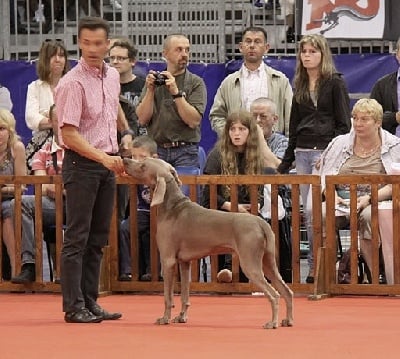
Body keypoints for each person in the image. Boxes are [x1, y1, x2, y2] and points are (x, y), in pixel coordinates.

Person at [54, 16, 132, 324]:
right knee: (77, 238)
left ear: (108, 44)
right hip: (82, 164)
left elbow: (112, 112)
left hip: (107, 162)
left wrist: (125, 134)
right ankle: (73, 306)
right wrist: (103, 156)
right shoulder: (72, 82)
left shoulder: (112, 76)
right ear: (78, 43)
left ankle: (90, 301)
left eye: (98, 43)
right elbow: (69, 134)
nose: (92, 49)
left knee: (98, 238)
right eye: (86, 43)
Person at [277, 34, 351, 284]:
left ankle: (319, 266)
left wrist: (331, 155)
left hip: (326, 154)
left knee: (313, 210)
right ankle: (315, 267)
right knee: (306, 213)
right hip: (302, 154)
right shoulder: (297, 84)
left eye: (312, 51)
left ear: (323, 54)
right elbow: (293, 127)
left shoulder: (335, 83)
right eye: (304, 51)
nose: (307, 55)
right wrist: (285, 164)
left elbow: (344, 126)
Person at [317, 98, 400, 280]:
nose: (358, 124)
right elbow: (323, 174)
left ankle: (375, 276)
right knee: (322, 212)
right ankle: (328, 278)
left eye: (364, 119)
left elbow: (396, 182)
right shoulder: (339, 142)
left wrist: (371, 198)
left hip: (377, 198)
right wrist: (331, 193)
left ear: (378, 122)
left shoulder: (395, 145)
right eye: (355, 118)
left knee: (369, 216)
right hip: (343, 198)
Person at [201, 110, 270, 283]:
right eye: (232, 129)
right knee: (232, 225)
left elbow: (259, 194)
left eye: (242, 129)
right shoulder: (216, 155)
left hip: (246, 211)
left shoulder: (256, 158)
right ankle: (228, 270)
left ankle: (257, 273)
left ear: (250, 132)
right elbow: (207, 195)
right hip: (221, 211)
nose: (237, 133)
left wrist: (255, 206)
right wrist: (230, 206)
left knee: (260, 226)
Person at [136, 33, 207, 169]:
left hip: (185, 150)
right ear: (165, 54)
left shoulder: (195, 82)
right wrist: (150, 91)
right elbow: (142, 119)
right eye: (179, 49)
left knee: (184, 191)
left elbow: (193, 121)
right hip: (157, 150)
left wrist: (176, 93)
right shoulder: (154, 81)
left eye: (187, 50)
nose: (184, 54)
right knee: (158, 190)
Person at [10, 105, 63, 284]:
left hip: (79, 204)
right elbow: (40, 180)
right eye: (57, 119)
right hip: (52, 204)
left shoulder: (80, 147)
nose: (62, 123)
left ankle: (68, 272)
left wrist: (61, 188)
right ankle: (30, 264)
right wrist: (55, 186)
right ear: (51, 122)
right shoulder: (45, 148)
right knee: (19, 202)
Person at [209, 26, 292, 137]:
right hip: (238, 146)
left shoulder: (280, 80)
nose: (252, 46)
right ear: (241, 47)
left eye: (257, 42)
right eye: (248, 41)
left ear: (266, 48)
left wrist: (286, 144)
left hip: (272, 145)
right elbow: (216, 115)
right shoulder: (229, 83)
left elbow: (290, 116)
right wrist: (231, 135)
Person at [25, 39, 69, 172]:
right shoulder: (34, 87)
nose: (57, 59)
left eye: (61, 56)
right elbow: (31, 119)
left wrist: (47, 116)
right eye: (52, 56)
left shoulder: (73, 85)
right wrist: (57, 121)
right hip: (42, 142)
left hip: (68, 140)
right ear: (44, 60)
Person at [119, 135, 158, 282]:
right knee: (125, 228)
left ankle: (153, 272)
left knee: (156, 232)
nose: (136, 161)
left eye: (142, 157)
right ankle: (128, 271)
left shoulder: (161, 171)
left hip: (160, 213)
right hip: (142, 212)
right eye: (133, 157)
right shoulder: (132, 173)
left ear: (154, 157)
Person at [0, 109, 27, 278]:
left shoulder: (17, 148)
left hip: (11, 199)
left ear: (10, 130)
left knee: (9, 209)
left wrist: (4, 189)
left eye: (1, 128)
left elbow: (22, 185)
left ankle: (16, 268)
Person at [109, 39, 146, 135]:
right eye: (112, 58)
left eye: (121, 58)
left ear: (132, 61)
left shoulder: (145, 85)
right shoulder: (104, 86)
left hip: (140, 140)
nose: (115, 62)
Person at [370, 37, 400, 136]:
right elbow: (371, 117)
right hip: (391, 146)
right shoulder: (382, 85)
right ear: (397, 55)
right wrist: (394, 118)